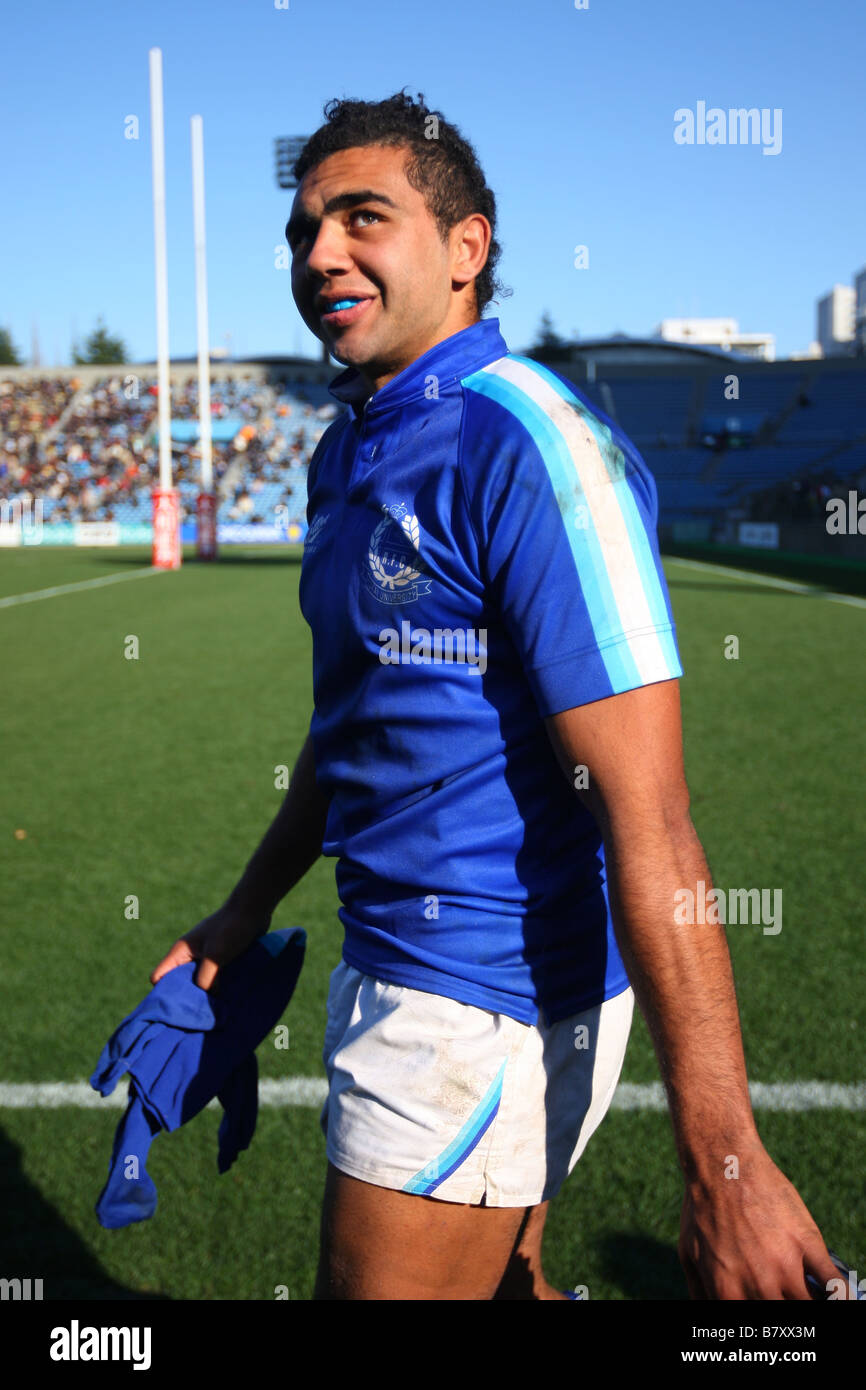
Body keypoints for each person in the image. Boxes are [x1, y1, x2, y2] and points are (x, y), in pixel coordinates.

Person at [151, 90, 840, 1302]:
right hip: (424, 977)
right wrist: (241, 911)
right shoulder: (345, 448)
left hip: (472, 1006)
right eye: (304, 229)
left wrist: (723, 1158)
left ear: (466, 248)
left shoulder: (532, 442)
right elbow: (350, 728)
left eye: (362, 217)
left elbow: (651, 810)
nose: (320, 254)